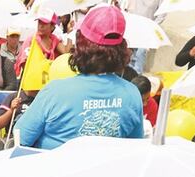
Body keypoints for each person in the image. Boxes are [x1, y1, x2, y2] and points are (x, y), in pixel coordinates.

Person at [15, 5, 144, 149]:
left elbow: (20, 139)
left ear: (81, 44)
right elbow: (134, 148)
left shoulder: (55, 92)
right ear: (122, 49)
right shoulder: (132, 94)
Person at [15, 8, 60, 77]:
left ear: (52, 27)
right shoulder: (31, 40)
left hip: (48, 80)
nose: (40, 26)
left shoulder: (54, 40)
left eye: (44, 23)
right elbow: (24, 64)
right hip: (31, 81)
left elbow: (66, 52)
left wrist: (70, 33)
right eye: (39, 22)